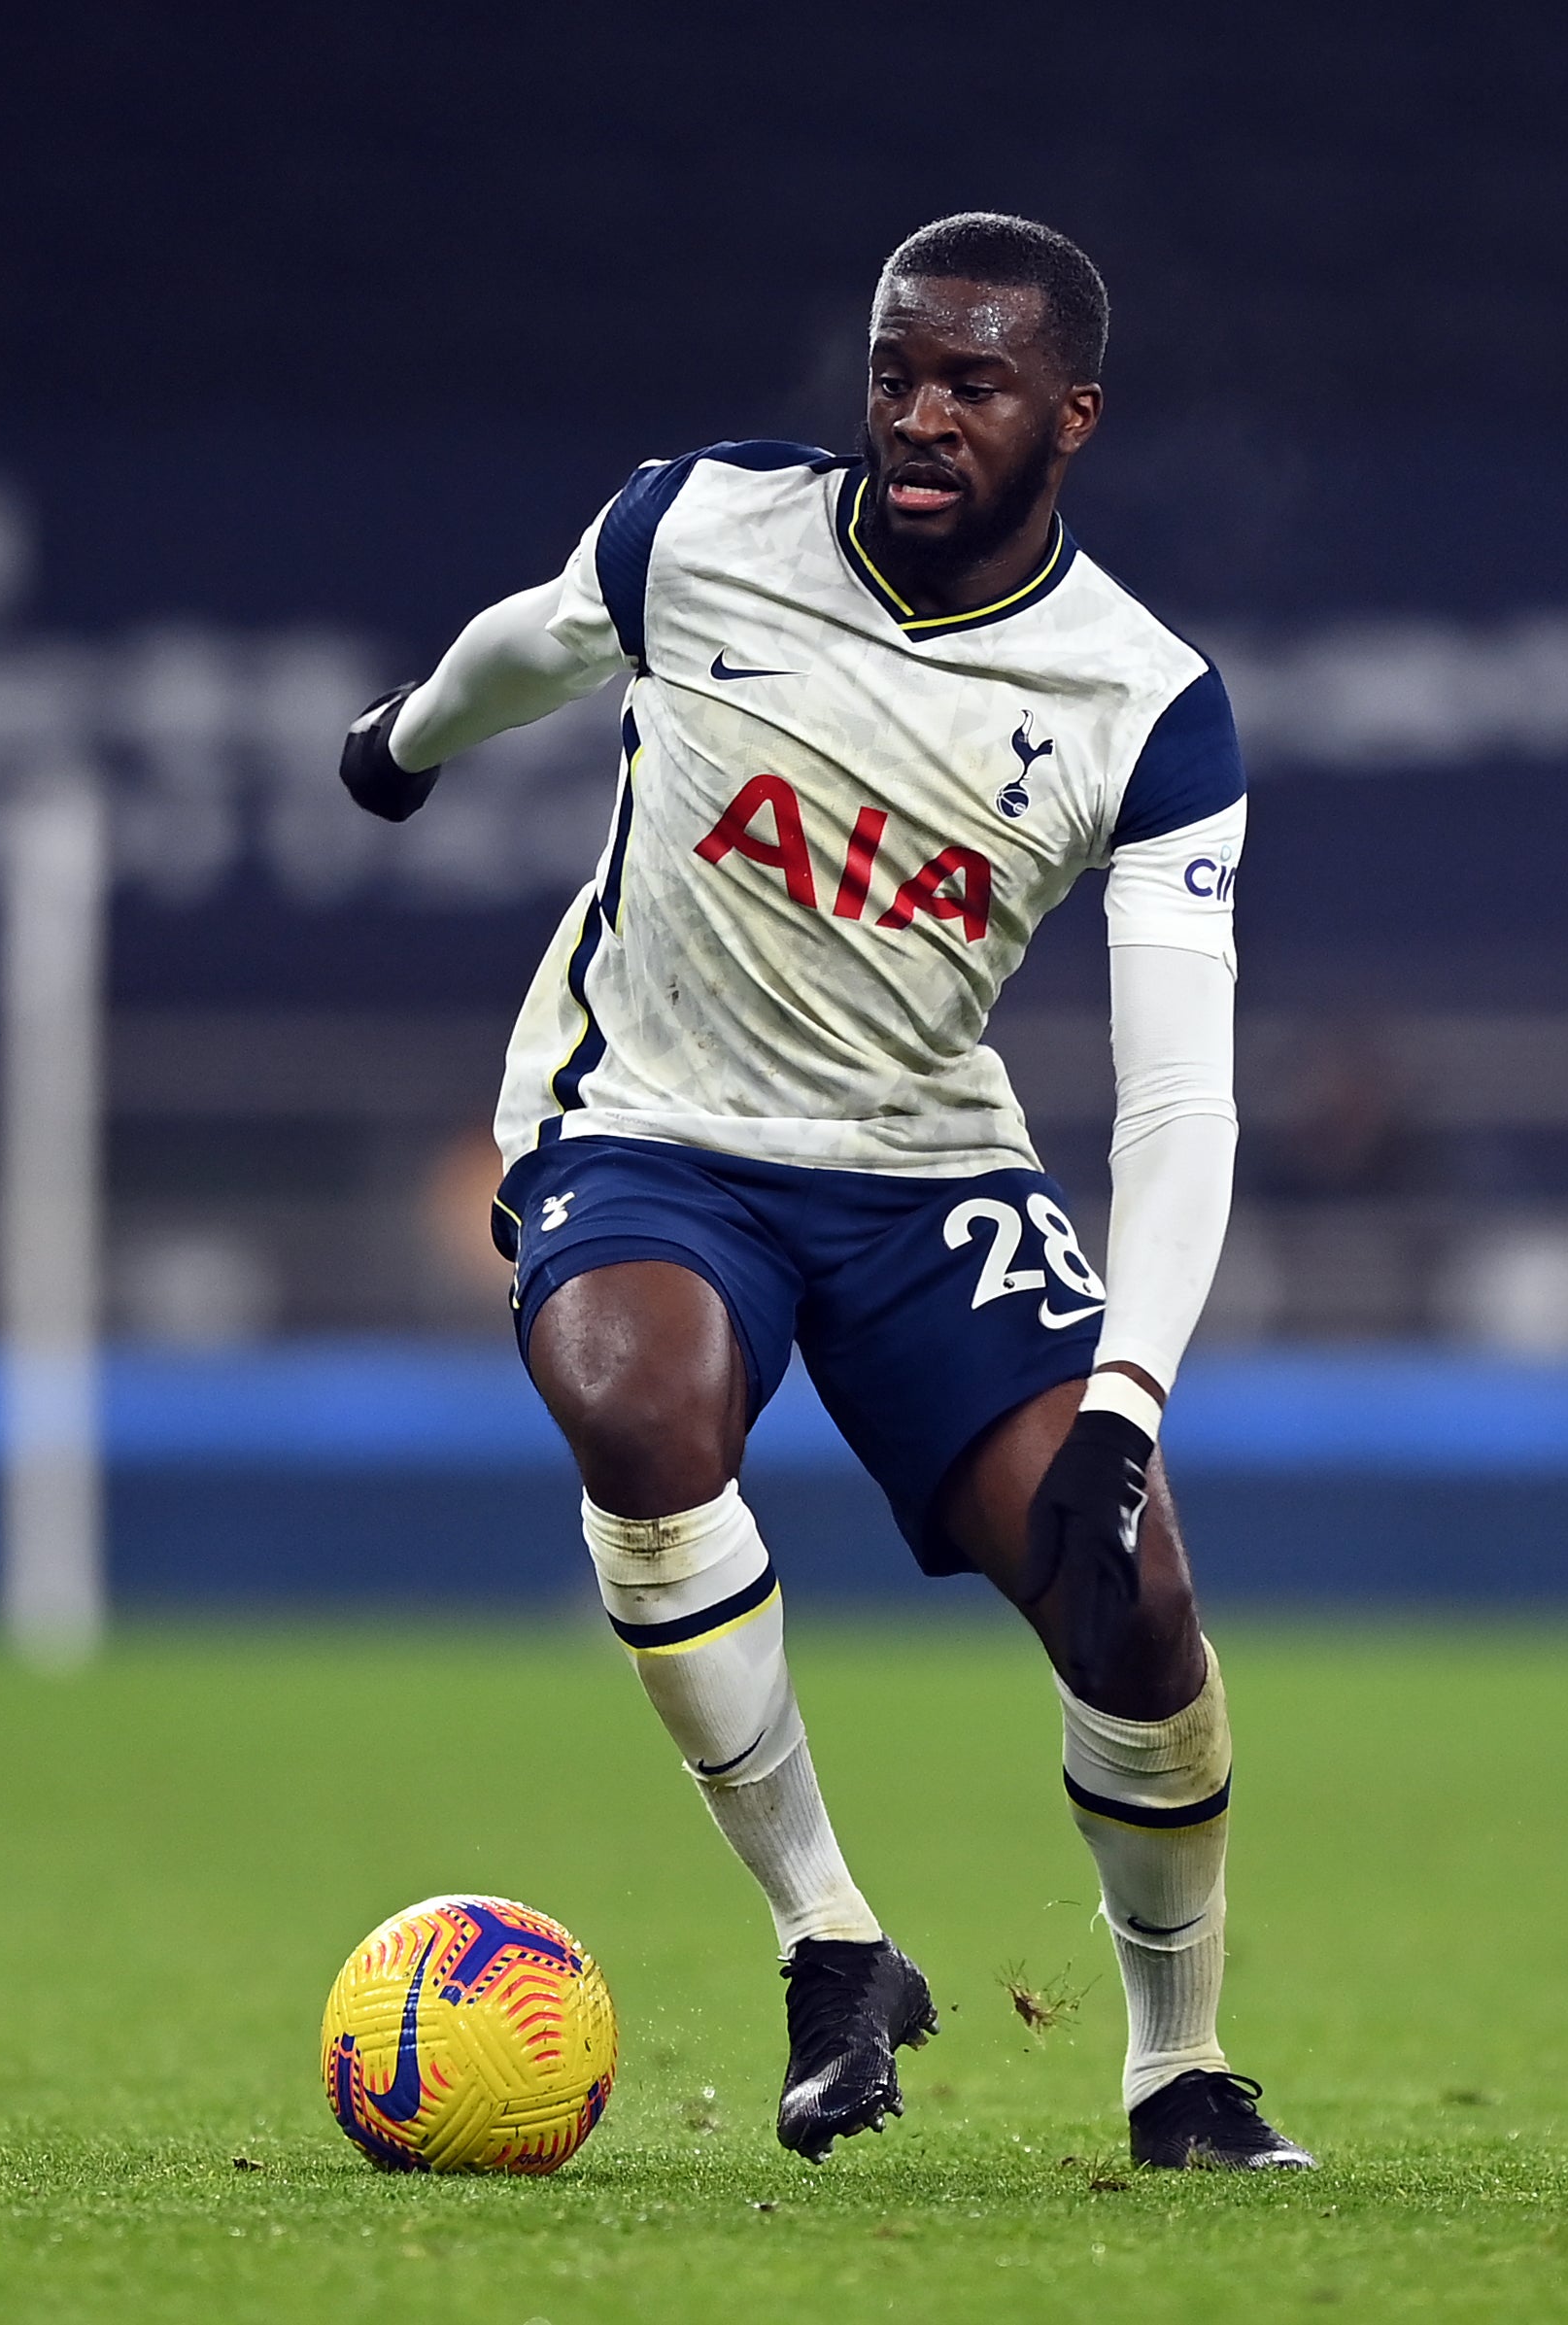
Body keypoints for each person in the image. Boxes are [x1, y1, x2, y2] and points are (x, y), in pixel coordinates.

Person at [338, 212, 1312, 2172]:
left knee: (1131, 1598)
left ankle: (1177, 2071)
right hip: (649, 1125)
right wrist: (400, 747)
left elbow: (1179, 1097)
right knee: (639, 1399)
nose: (920, 414)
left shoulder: (1144, 703)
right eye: (895, 374)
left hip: (915, 1167)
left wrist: (1126, 1398)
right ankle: (830, 1942)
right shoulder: (697, 531)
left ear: (1072, 417)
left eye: (974, 383)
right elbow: (525, 641)